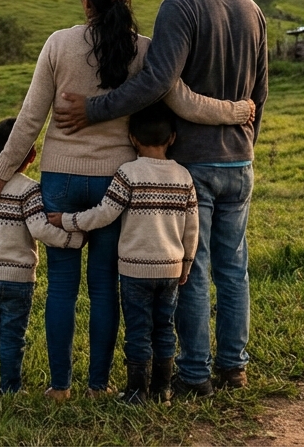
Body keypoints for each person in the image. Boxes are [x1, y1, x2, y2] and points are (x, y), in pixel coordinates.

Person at [0, 0, 253, 400]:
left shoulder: (58, 44)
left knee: (63, 288)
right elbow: (183, 103)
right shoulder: (144, 50)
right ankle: (98, 385)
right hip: (116, 184)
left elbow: (31, 119)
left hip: (60, 180)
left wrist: (0, 172)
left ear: (85, 1)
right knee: (105, 288)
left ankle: (59, 386)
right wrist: (238, 112)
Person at [53, 0, 268, 397]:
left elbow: (156, 82)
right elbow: (261, 95)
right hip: (241, 161)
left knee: (191, 270)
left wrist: (95, 109)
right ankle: (234, 367)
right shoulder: (252, 10)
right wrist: (247, 147)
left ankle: (195, 374)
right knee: (235, 269)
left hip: (194, 160)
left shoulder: (180, 6)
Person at [47, 102, 198, 404]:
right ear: (172, 138)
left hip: (134, 271)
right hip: (170, 270)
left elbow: (104, 214)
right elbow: (192, 227)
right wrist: (186, 262)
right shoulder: (183, 177)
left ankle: (136, 391)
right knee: (165, 329)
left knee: (138, 330)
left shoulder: (128, 174)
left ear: (131, 139)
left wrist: (67, 220)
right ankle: (163, 390)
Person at [0, 117, 85, 393]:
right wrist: (73, 238)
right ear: (32, 155)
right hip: (18, 280)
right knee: (12, 336)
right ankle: (10, 388)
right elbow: (40, 229)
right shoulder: (30, 189)